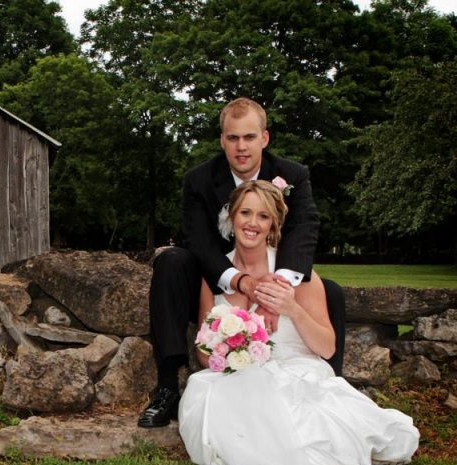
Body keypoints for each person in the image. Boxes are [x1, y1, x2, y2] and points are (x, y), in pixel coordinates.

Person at [177, 180, 419, 465]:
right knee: (206, 387)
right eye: (245, 213)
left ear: (273, 225)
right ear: (231, 217)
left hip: (298, 367)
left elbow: (328, 347)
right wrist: (227, 350)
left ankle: (305, 454)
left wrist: (292, 308)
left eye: (263, 216)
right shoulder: (215, 274)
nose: (252, 223)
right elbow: (202, 353)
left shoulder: (297, 273)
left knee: (287, 404)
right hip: (237, 374)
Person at [139, 97, 344, 428]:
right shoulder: (199, 180)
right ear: (222, 140)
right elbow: (200, 242)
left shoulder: (293, 175)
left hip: (271, 270)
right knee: (170, 261)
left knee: (330, 292)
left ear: (264, 138)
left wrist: (275, 293)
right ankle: (167, 386)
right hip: (215, 273)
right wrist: (240, 281)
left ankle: (330, 386)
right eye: (232, 138)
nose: (241, 147)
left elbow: (304, 230)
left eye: (249, 137)